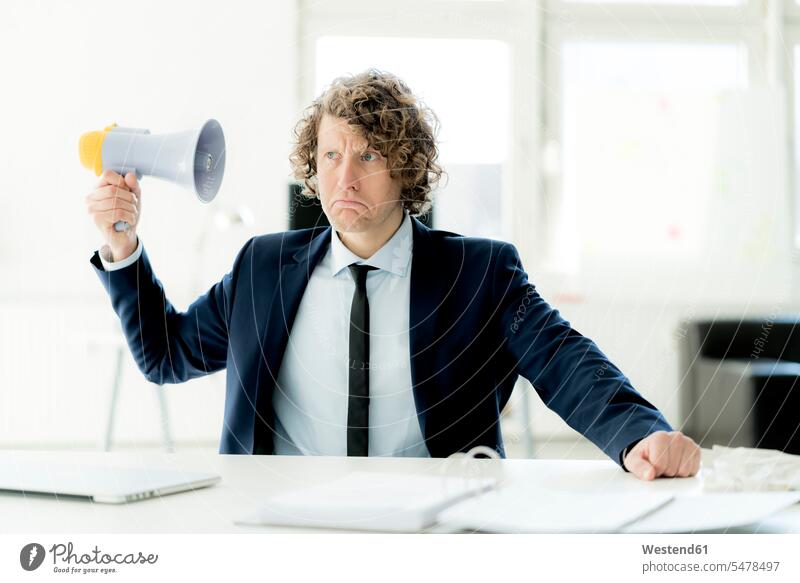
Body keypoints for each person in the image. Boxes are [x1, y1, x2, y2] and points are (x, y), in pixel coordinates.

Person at [86, 69, 700, 480]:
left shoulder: (480, 273)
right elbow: (165, 355)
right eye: (331, 155)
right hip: (279, 529)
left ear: (407, 169)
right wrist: (123, 245)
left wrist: (638, 434)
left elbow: (567, 362)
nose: (343, 177)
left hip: (433, 533)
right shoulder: (261, 267)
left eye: (369, 155)